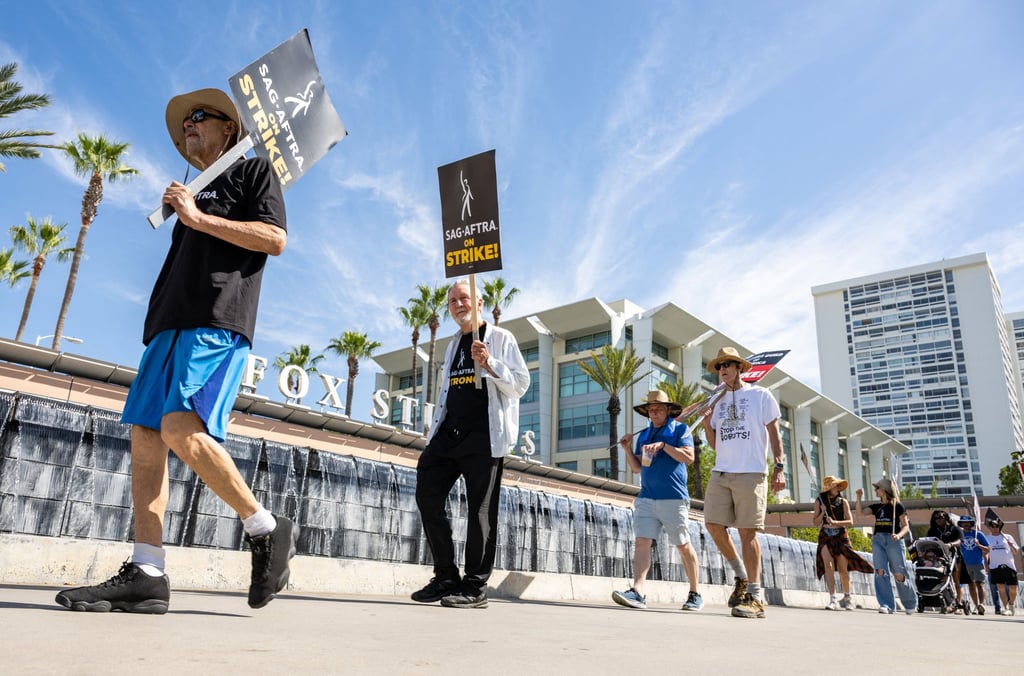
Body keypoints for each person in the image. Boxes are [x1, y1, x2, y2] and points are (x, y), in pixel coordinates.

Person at [55, 88, 293, 614]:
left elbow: (274, 239)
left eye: (199, 116)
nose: (189, 124)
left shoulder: (253, 173)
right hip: (167, 321)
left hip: (216, 319)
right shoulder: (195, 186)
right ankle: (147, 569)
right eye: (185, 120)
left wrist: (198, 217)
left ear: (229, 129)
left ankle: (266, 527)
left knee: (179, 426)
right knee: (145, 433)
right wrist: (187, 210)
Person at [411, 280, 529, 609]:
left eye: (465, 298)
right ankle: (446, 575)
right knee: (427, 494)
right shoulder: (452, 344)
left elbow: (521, 385)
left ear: (479, 302)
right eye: (453, 301)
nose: (459, 304)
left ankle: (475, 585)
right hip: (448, 436)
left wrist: (491, 362)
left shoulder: (502, 338)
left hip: (484, 437)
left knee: (480, 512)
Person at [701, 347, 786, 619]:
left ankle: (756, 596)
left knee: (747, 534)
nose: (722, 369)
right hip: (721, 471)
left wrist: (779, 468)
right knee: (713, 525)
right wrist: (705, 424)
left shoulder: (760, 395)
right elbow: (716, 445)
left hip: (751, 472)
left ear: (740, 368)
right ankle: (740, 576)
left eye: (728, 364)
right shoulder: (717, 400)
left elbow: (774, 434)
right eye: (719, 366)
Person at [612, 391, 703, 611]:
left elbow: (689, 458)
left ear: (668, 411)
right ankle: (638, 591)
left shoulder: (680, 430)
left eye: (658, 408)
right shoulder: (643, 436)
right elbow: (637, 468)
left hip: (674, 498)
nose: (653, 412)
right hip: (646, 497)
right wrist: (626, 448)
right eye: (650, 409)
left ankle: (695, 593)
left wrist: (664, 446)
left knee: (683, 545)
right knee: (642, 542)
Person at [855, 478, 917, 614]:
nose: (875, 491)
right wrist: (859, 498)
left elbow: (906, 526)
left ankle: (910, 603)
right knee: (880, 571)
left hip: (893, 540)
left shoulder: (898, 506)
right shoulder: (876, 507)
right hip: (878, 539)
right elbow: (859, 514)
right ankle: (887, 604)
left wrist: (899, 535)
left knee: (899, 573)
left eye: (877, 488)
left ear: (884, 490)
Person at [813, 475, 872, 610]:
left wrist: (836, 523)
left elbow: (850, 522)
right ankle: (832, 598)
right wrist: (822, 513)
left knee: (842, 569)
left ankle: (847, 597)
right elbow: (815, 523)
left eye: (839, 485)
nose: (838, 487)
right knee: (828, 566)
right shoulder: (819, 501)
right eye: (836, 485)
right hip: (825, 535)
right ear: (830, 487)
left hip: (840, 535)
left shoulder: (843, 501)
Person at [925, 510, 963, 613]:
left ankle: (958, 603)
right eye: (936, 518)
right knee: (943, 579)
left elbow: (960, 540)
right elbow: (929, 541)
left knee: (956, 580)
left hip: (954, 555)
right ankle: (948, 603)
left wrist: (950, 544)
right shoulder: (933, 530)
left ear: (946, 518)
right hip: (940, 557)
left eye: (940, 517)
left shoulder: (954, 529)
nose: (938, 520)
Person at [984, 514, 1019, 615]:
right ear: (989, 527)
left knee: (1013, 588)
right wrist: (986, 564)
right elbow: (986, 552)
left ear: (1000, 527)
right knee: (1001, 588)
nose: (995, 528)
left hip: (1009, 566)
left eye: (997, 526)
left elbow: (1016, 552)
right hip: (995, 566)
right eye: (993, 526)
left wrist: (1011, 545)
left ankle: (1012, 604)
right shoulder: (987, 538)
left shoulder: (1008, 537)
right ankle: (1006, 607)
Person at [956, 514, 989, 615]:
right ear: (961, 524)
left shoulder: (978, 534)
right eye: (963, 523)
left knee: (980, 584)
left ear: (971, 523)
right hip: (965, 564)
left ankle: (982, 604)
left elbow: (988, 549)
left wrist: (978, 545)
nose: (966, 524)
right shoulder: (960, 535)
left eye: (968, 522)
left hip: (978, 563)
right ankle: (976, 605)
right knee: (971, 585)